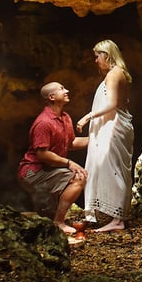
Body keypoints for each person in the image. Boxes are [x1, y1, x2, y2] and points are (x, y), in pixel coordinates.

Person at [76, 39, 134, 232]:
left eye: (97, 56)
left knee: (113, 170)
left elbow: (112, 104)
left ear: (107, 55)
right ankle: (112, 216)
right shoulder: (117, 73)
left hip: (114, 127)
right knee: (110, 168)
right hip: (112, 126)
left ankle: (118, 220)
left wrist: (86, 118)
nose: (96, 61)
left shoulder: (114, 74)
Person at [17, 82, 89, 236]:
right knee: (78, 177)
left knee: (44, 214)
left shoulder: (65, 117)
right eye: (62, 89)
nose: (67, 90)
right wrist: (69, 163)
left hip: (49, 170)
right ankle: (59, 222)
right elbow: (42, 154)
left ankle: (52, 222)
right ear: (51, 97)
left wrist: (96, 139)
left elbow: (71, 143)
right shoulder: (43, 122)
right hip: (33, 172)